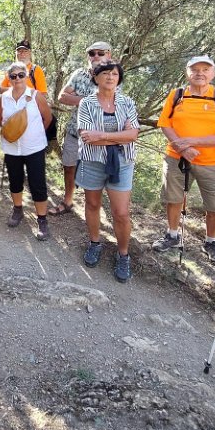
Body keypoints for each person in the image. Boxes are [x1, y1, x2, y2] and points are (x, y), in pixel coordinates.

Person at [152, 55, 215, 264]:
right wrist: (183, 149)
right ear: (187, 73)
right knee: (173, 198)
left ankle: (211, 241)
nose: (200, 73)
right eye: (195, 69)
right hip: (176, 157)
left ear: (213, 73)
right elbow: (165, 124)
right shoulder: (177, 95)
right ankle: (172, 235)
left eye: (205, 69)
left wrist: (192, 142)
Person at [76, 62, 140, 282]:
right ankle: (95, 243)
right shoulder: (86, 103)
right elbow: (87, 136)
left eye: (114, 74)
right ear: (96, 78)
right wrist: (119, 136)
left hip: (122, 162)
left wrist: (102, 136)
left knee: (121, 213)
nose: (110, 77)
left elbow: (132, 135)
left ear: (119, 78)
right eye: (105, 73)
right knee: (92, 204)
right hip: (92, 161)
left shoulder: (127, 102)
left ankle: (123, 254)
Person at [50, 41, 113, 216]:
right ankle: (68, 201)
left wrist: (78, 98)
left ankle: (93, 209)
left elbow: (110, 104)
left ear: (109, 55)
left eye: (100, 53)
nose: (95, 56)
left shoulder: (113, 76)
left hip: (98, 136)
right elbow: (62, 96)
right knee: (69, 167)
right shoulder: (79, 74)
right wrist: (88, 100)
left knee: (95, 173)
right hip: (74, 131)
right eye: (92, 53)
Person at [0, 61, 52, 239]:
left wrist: (35, 133)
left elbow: (47, 118)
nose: (17, 79)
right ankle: (18, 209)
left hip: (34, 147)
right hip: (12, 147)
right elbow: (0, 120)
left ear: (26, 76)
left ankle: (42, 220)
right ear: (9, 78)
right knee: (15, 181)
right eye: (13, 76)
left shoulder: (36, 96)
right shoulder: (3, 98)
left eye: (21, 75)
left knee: (37, 183)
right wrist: (13, 133)